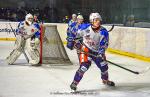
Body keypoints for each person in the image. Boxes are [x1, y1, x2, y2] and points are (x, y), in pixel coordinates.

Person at [70, 12, 115, 91]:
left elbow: (104, 44)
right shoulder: (85, 27)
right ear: (92, 21)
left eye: (99, 20)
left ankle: (105, 80)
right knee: (84, 67)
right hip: (86, 49)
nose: (98, 21)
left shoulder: (103, 32)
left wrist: (101, 53)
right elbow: (74, 33)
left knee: (104, 67)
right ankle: (75, 82)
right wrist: (75, 42)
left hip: (97, 52)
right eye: (96, 20)